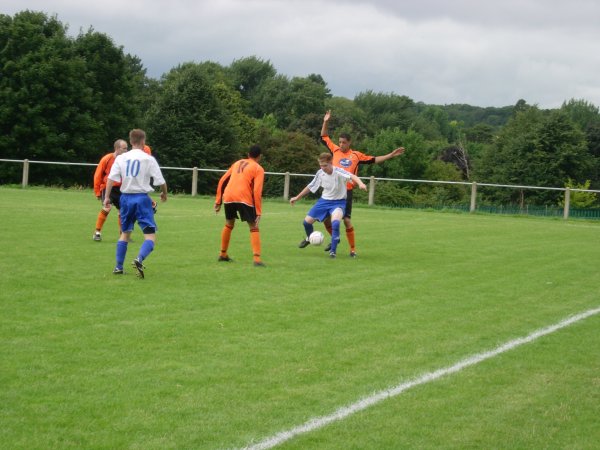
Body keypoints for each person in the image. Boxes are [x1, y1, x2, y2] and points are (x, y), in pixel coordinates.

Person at [320, 109, 405, 257]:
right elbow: (324, 136)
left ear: (349, 142)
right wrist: (325, 122)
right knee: (326, 221)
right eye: (339, 142)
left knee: (346, 220)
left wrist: (391, 155)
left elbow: (374, 159)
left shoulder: (356, 156)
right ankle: (336, 238)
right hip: (332, 191)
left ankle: (352, 250)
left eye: (344, 142)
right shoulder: (335, 150)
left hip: (346, 192)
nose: (341, 144)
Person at [104, 129, 167, 278]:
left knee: (125, 234)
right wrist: (164, 192)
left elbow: (111, 179)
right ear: (143, 141)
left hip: (125, 198)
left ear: (131, 142)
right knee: (150, 236)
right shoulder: (148, 159)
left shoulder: (121, 158)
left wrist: (107, 197)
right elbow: (160, 181)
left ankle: (118, 267)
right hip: (142, 199)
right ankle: (139, 259)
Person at [290, 152, 367, 258]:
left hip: (338, 203)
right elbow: (310, 186)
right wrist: (297, 197)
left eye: (325, 165)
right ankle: (310, 238)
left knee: (335, 223)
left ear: (331, 163)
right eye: (321, 165)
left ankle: (333, 252)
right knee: (306, 223)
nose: (322, 168)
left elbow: (352, 176)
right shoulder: (320, 173)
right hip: (323, 201)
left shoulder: (339, 172)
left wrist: (361, 184)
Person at [214, 145, 265, 267]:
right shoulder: (258, 168)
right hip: (244, 198)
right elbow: (257, 191)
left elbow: (223, 180)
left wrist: (218, 201)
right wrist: (258, 212)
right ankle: (257, 260)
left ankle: (223, 254)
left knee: (229, 224)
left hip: (229, 196)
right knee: (253, 226)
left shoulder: (237, 163)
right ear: (260, 156)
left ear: (248, 154)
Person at [92, 139, 128, 241]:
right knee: (107, 207)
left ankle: (122, 234)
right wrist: (97, 192)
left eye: (127, 148)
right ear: (117, 148)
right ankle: (97, 232)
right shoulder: (107, 159)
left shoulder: (127, 160)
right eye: (124, 148)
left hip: (122, 189)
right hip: (108, 188)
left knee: (122, 211)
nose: (126, 150)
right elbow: (97, 175)